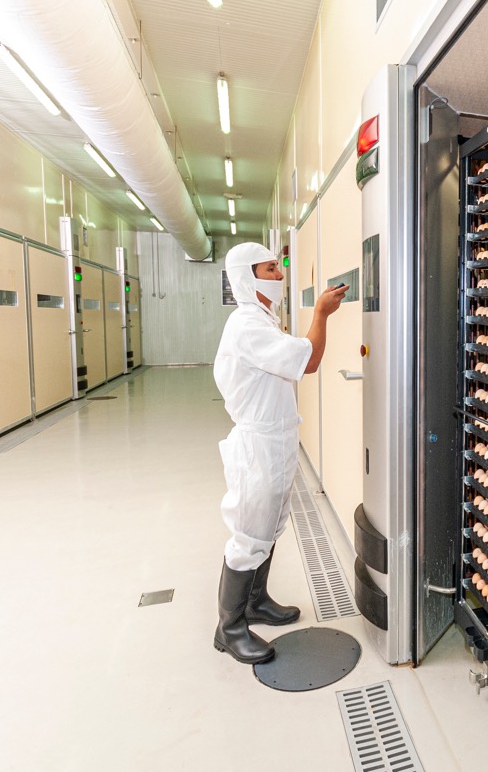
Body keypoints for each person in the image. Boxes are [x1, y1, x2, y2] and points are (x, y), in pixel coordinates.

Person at [211, 242, 346, 664]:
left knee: (269, 527)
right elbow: (307, 362)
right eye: (271, 269)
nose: (279, 274)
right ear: (249, 277)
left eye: (277, 267)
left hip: (277, 438)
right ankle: (229, 629)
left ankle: (255, 602)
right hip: (258, 445)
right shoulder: (247, 325)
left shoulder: (263, 319)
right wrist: (320, 313)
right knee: (249, 535)